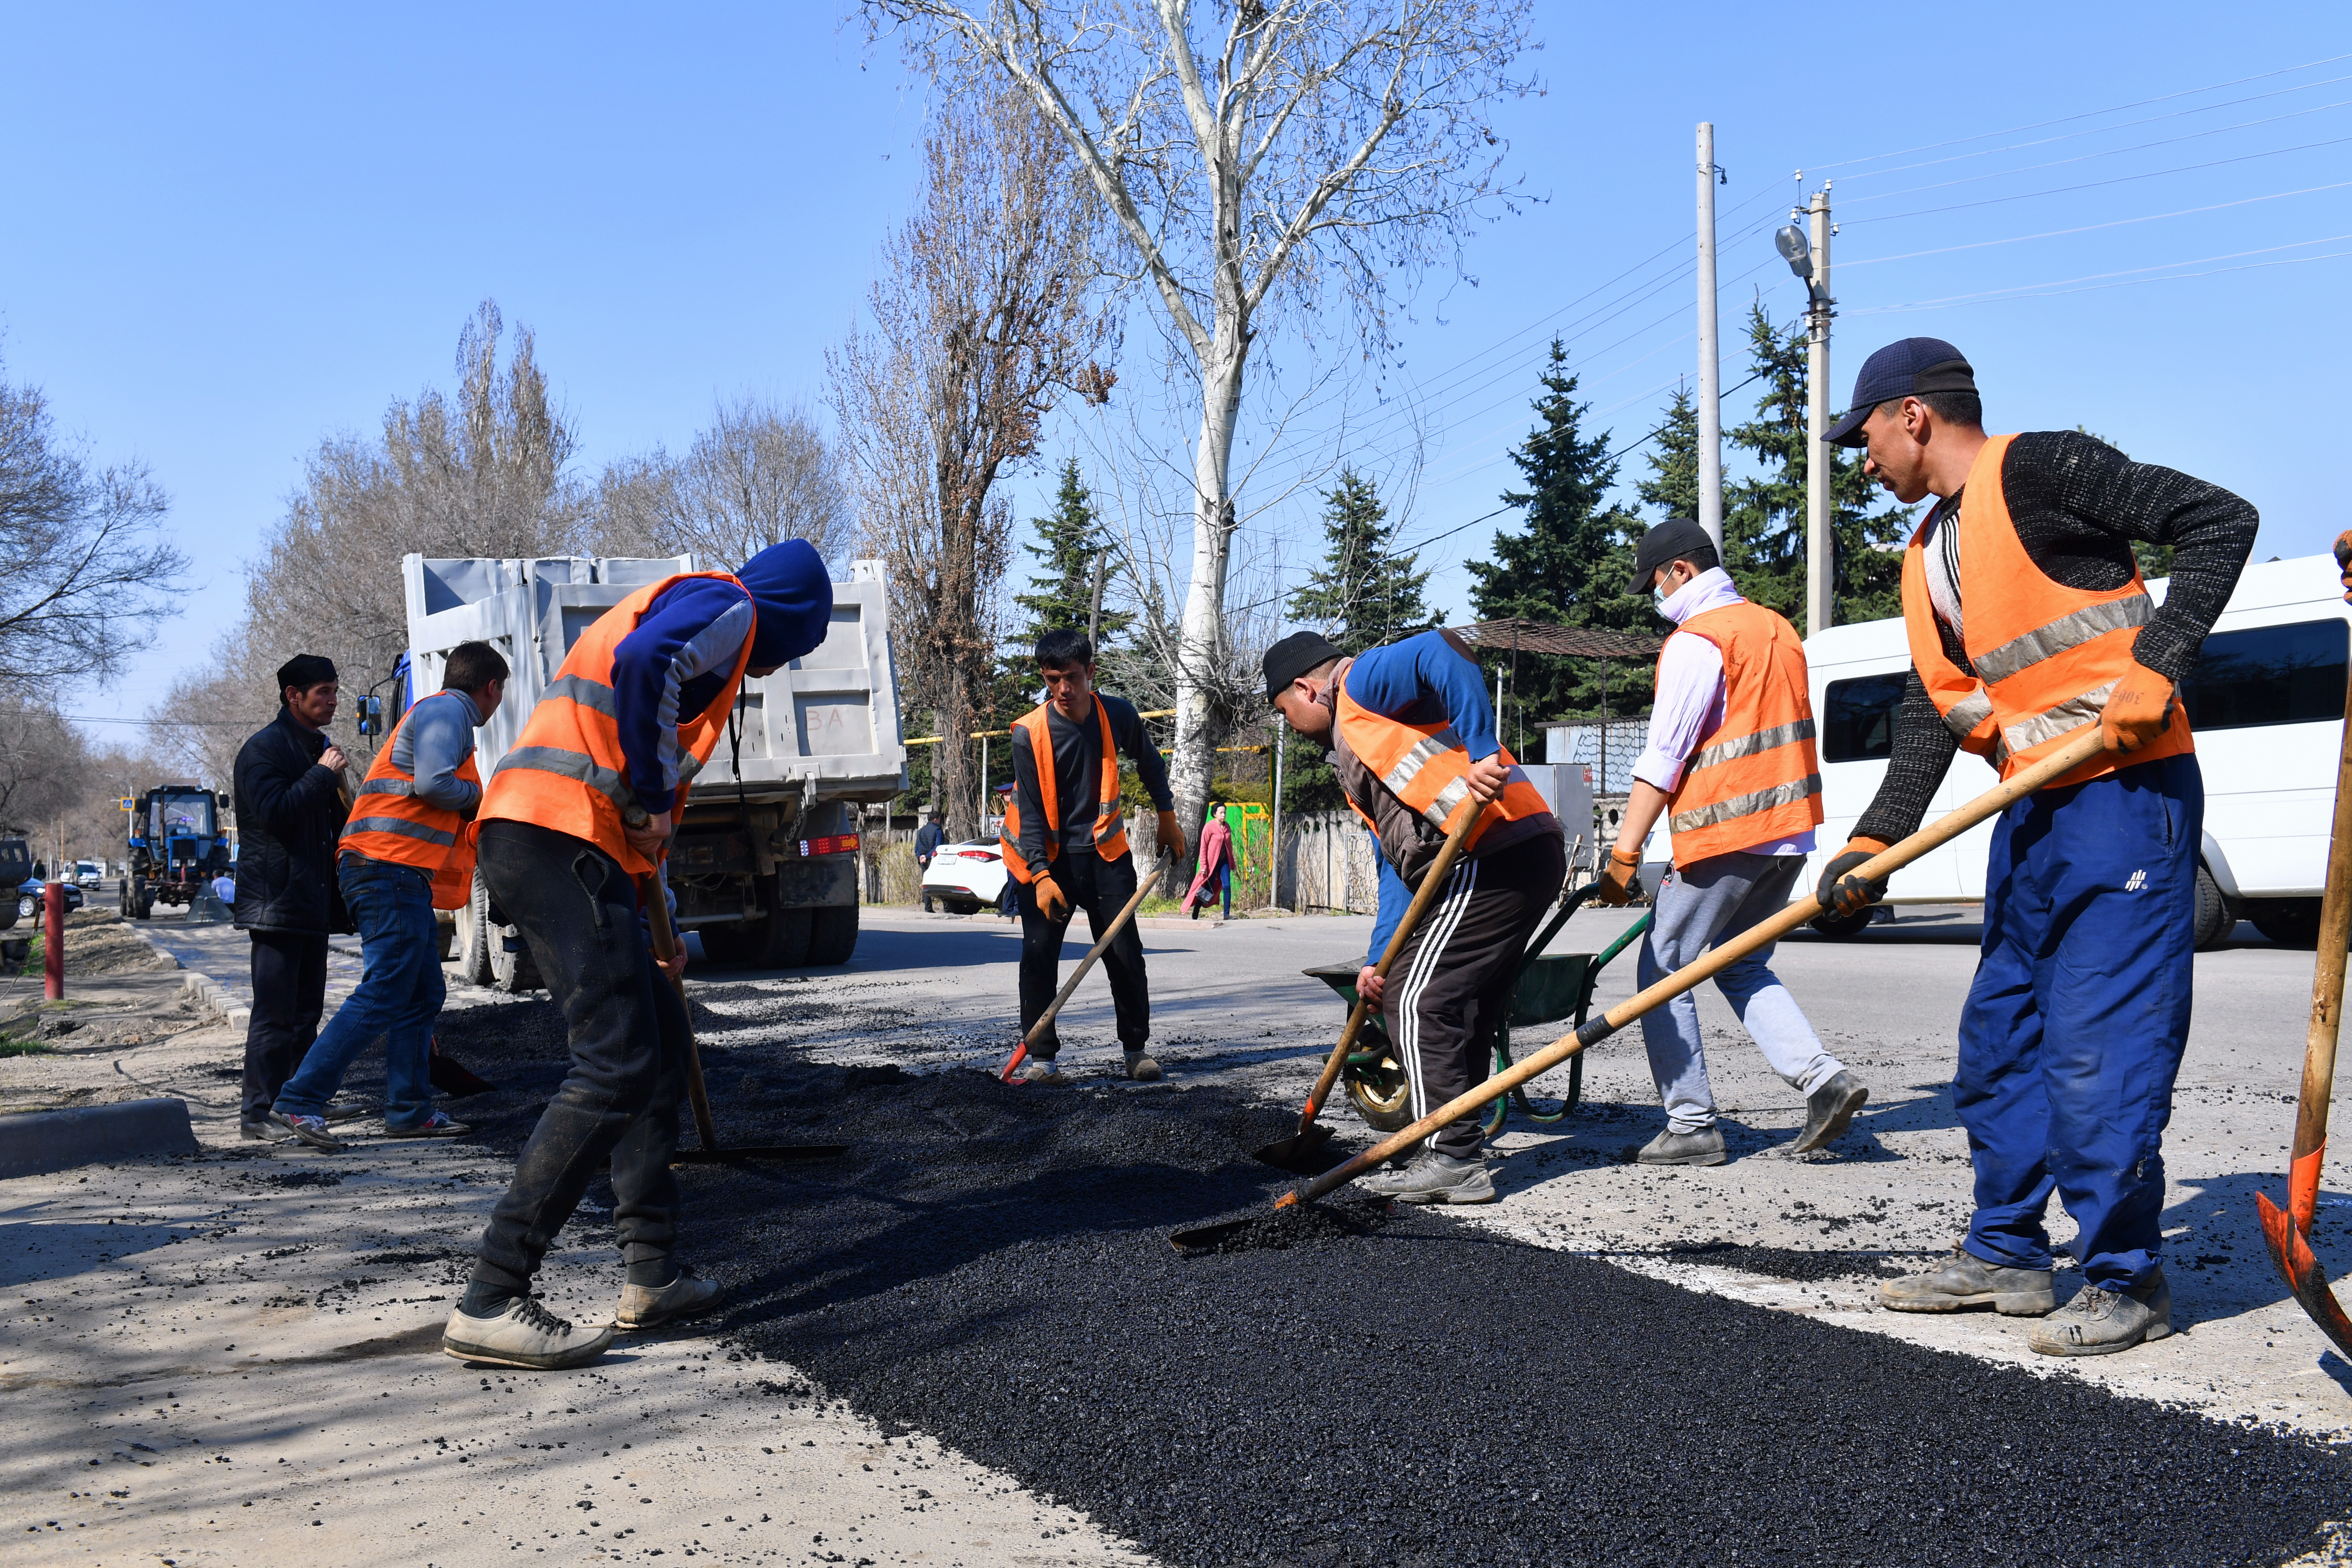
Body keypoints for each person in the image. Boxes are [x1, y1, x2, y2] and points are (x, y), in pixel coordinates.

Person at [1816, 338, 2255, 1356]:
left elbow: (2218, 519)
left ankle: (2126, 1277)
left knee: (2098, 1047)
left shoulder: (2043, 469)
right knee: (2000, 1037)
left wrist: (2159, 660)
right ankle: (2006, 1251)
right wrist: (1875, 839)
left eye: (1865, 433)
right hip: (2033, 809)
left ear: (1912, 416)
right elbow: (1938, 712)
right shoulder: (1929, 553)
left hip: (2123, 796)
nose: (1861, 455)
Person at [440, 542, 833, 1371]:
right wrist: (654, 799)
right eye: (791, 648)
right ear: (792, 618)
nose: (774, 664)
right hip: (555, 833)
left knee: (653, 1045)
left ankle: (650, 1273)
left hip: (568, 841)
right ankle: (493, 1294)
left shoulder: (701, 614)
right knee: (613, 1065)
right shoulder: (732, 604)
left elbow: (632, 775)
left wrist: (664, 936)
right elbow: (648, 665)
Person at [1593, 517, 1869, 1167]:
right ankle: (1824, 1081)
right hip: (1789, 831)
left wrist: (1623, 854)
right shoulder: (1776, 628)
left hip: (1727, 831)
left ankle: (1691, 1125)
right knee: (1741, 962)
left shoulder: (1699, 641)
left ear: (1681, 572)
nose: (1656, 599)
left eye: (1655, 585)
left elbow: (1664, 757)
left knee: (1663, 968)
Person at [1265, 627, 1563, 1203]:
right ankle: (1458, 1142)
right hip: (1510, 851)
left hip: (1492, 848)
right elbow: (1396, 874)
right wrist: (1381, 960)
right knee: (1454, 1001)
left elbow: (1441, 650)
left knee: (1419, 1000)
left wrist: (1481, 749)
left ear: (1305, 688)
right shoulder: (1361, 750)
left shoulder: (1360, 685)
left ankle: (1452, 1158)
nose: (1290, 725)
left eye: (1284, 711)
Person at [268, 641, 509, 1152]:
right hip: (385, 868)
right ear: (491, 688)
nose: (499, 702)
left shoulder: (443, 714)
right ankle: (299, 1100)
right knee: (386, 989)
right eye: (501, 694)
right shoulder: (449, 710)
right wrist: (484, 799)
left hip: (399, 873)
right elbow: (436, 785)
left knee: (421, 993)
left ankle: (409, 1110)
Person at [1000, 628, 1185, 1083]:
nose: (1064, 689)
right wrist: (1041, 877)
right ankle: (1043, 1060)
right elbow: (1030, 813)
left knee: (1125, 952)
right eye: (1053, 679)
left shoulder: (1117, 714)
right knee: (1039, 955)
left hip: (1104, 855)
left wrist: (1167, 816)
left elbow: (1149, 762)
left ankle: (1136, 1051)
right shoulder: (1029, 733)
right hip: (1045, 858)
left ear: (1091, 673)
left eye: (1072, 677)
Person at [231, 655, 356, 1143]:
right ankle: (257, 1112)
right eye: (323, 691)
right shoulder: (263, 750)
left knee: (306, 1013)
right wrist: (323, 776)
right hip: (276, 904)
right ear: (293, 696)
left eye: (334, 690)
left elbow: (330, 827)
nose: (333, 700)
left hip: (312, 903)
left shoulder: (318, 748)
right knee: (274, 1015)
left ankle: (301, 1102)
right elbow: (275, 813)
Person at [1184, 806, 1235, 920]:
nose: (1223, 815)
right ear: (1215, 814)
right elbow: (1204, 847)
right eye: (1221, 813)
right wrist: (1203, 865)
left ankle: (1226, 914)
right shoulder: (1209, 827)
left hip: (1224, 862)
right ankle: (1197, 908)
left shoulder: (1227, 827)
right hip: (1211, 863)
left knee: (1227, 886)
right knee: (1208, 889)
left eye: (1225, 813)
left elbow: (1229, 846)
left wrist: (1232, 862)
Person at [915, 809, 945, 913]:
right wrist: (928, 856)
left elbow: (917, 847)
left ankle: (928, 908)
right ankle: (947, 907)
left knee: (926, 884)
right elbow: (938, 847)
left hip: (923, 861)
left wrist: (921, 857)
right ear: (936, 820)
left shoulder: (921, 831)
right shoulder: (938, 830)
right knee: (941, 883)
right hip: (933, 860)